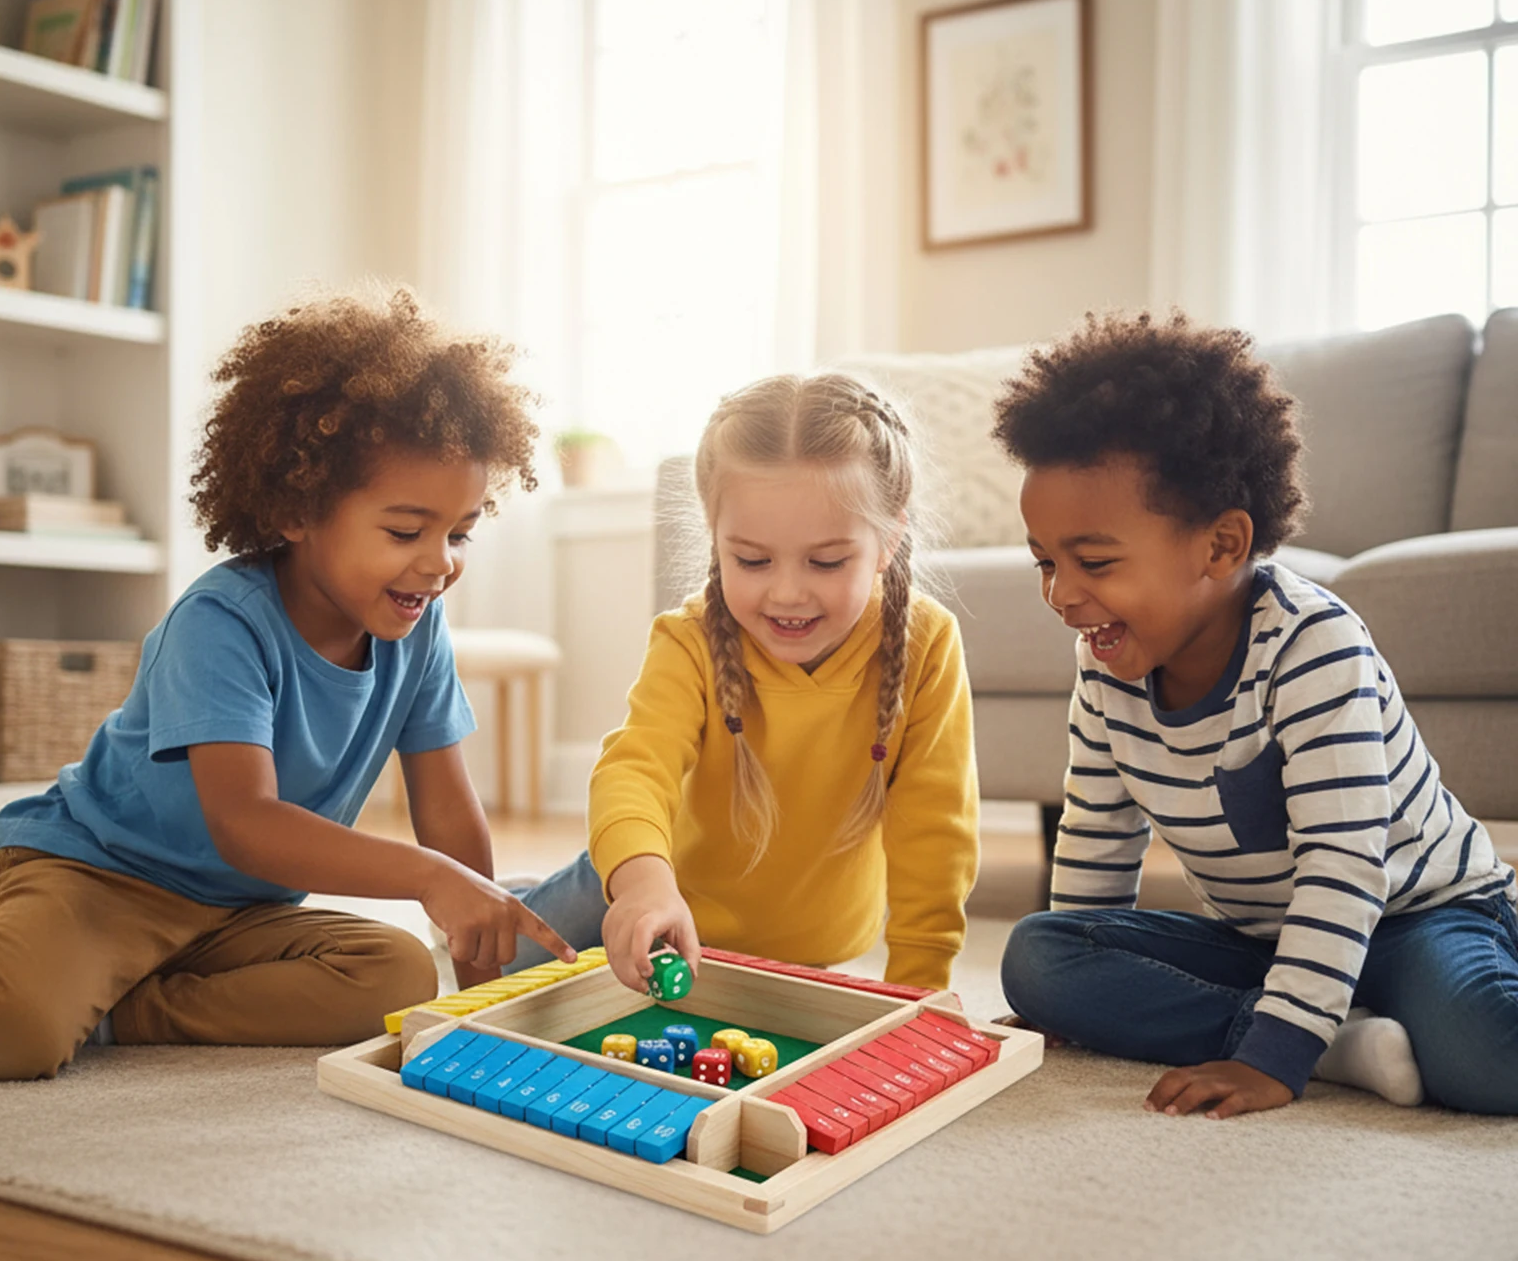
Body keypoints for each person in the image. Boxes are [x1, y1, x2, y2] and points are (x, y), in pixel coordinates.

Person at [0, 287, 571, 1081]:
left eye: (459, 532)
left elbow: (448, 814)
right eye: (406, 531)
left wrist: (483, 988)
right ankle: (53, 989)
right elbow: (247, 824)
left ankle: (121, 1010)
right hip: (96, 879)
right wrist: (431, 879)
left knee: (395, 976)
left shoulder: (417, 626)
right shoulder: (222, 622)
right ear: (298, 510)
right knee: (8, 1034)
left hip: (240, 919)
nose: (440, 562)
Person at [994, 310, 1518, 1118]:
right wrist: (1066, 1000)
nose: (1062, 594)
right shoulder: (1107, 666)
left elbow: (1345, 869)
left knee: (1486, 1058)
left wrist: (1274, 1062)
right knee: (1038, 956)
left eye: (1093, 561)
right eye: (1045, 563)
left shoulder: (1315, 649)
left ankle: (1305, 1025)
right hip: (1265, 940)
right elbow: (1098, 840)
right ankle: (1341, 1041)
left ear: (1222, 546)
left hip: (1416, 915)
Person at [513, 372, 979, 996]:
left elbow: (937, 828)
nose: (787, 592)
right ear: (715, 537)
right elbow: (634, 769)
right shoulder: (689, 638)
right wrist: (644, 884)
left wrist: (921, 986)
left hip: (816, 941)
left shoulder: (927, 642)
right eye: (753, 561)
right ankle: (514, 896)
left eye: (827, 561)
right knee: (510, 958)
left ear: (889, 540)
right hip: (659, 895)